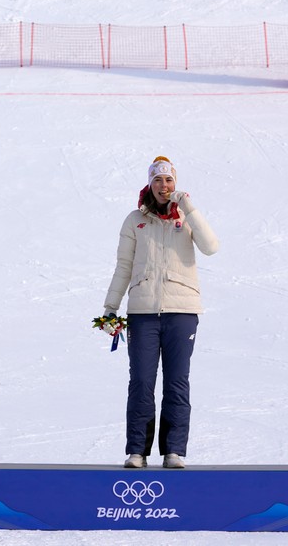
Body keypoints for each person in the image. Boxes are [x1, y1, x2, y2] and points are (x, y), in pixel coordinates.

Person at [103, 156, 219, 469]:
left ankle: (174, 451)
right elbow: (124, 265)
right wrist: (110, 307)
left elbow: (210, 247)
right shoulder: (134, 220)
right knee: (141, 381)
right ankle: (137, 452)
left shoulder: (186, 216)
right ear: (150, 184)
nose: (164, 186)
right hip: (142, 312)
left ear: (175, 183)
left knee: (177, 381)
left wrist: (190, 209)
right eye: (158, 180)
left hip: (182, 311)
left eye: (168, 180)